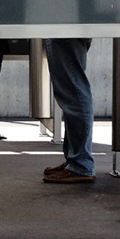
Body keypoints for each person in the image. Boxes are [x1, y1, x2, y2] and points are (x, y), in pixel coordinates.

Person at [42, 38, 96, 183]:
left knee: (74, 92)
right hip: (66, 28)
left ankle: (81, 164)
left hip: (66, 28)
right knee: (71, 92)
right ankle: (75, 160)